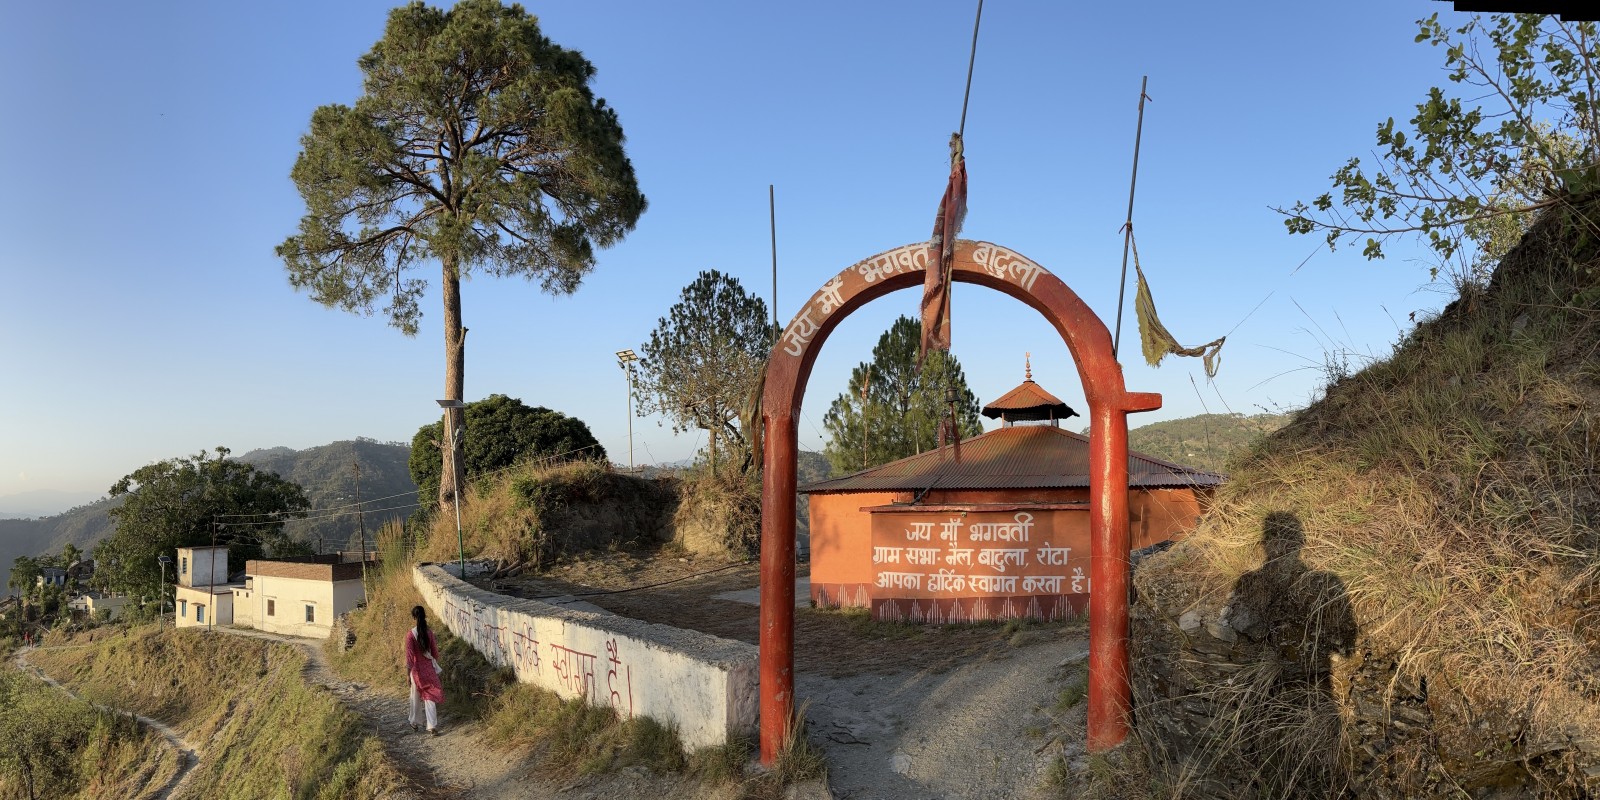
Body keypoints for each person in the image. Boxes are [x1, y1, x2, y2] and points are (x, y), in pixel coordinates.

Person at [405, 605, 444, 735]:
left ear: (414, 617)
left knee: (415, 697)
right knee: (430, 696)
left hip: (416, 672)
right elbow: (435, 653)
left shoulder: (411, 635)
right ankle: (431, 726)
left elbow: (409, 657)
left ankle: (414, 722)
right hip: (429, 670)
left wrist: (407, 674)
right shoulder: (429, 632)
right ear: (424, 616)